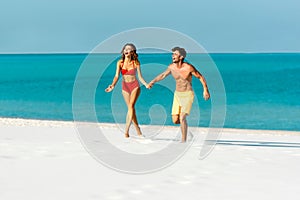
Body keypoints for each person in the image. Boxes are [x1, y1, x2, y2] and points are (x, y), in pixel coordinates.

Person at [147, 47, 210, 142]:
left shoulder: (188, 67)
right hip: (177, 95)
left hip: (188, 94)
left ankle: (183, 140)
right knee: (175, 120)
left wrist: (205, 89)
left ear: (181, 57)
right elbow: (163, 75)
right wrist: (153, 81)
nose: (173, 56)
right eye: (172, 54)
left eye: (175, 54)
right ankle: (187, 133)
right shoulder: (171, 67)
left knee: (182, 117)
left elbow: (200, 77)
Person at [105, 43, 148, 138]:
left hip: (135, 86)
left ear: (132, 52)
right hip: (125, 86)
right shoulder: (120, 63)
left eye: (128, 49)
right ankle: (138, 130)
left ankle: (126, 131)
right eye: (125, 49)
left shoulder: (136, 63)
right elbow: (116, 76)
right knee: (131, 109)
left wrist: (146, 84)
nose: (126, 50)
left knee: (131, 106)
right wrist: (112, 85)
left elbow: (140, 76)